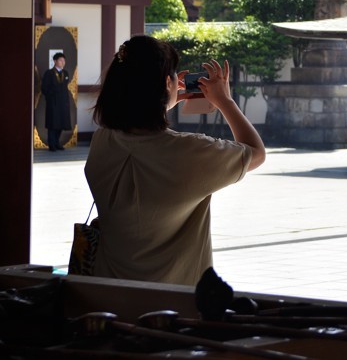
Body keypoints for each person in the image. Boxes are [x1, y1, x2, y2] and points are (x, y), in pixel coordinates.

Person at [84, 35, 266, 286]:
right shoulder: (190, 151)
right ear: (168, 83)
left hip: (107, 289)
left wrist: (161, 101)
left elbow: (139, 133)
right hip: (173, 299)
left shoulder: (102, 142)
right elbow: (255, 152)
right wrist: (224, 101)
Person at [41, 51, 73, 152]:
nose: (63, 62)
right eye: (60, 60)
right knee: (53, 124)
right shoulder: (49, 73)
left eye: (64, 60)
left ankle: (57, 142)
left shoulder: (65, 73)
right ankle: (52, 144)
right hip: (53, 102)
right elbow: (44, 88)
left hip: (63, 102)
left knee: (61, 123)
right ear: (55, 61)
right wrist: (51, 96)